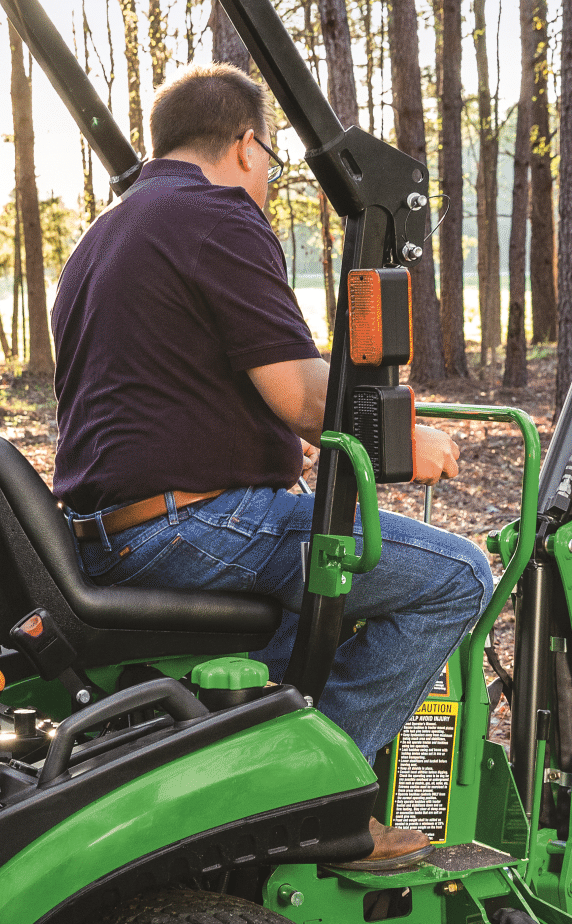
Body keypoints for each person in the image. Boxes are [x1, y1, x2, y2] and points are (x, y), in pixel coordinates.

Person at [51, 63, 494, 867]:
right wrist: (401, 438)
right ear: (248, 146)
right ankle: (317, 803)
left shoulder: (105, 234)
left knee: (301, 635)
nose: (266, 181)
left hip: (109, 532)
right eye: (272, 163)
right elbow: (298, 394)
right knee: (456, 577)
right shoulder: (217, 216)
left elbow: (160, 386)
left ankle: (236, 789)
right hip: (194, 529)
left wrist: (255, 437)